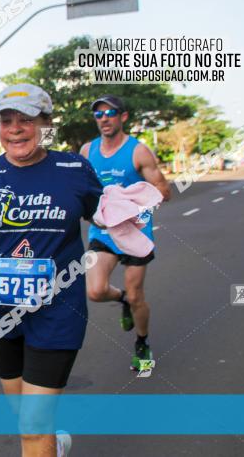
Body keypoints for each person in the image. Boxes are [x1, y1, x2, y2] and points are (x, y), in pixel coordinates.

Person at [0, 83, 103, 457]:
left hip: (58, 312)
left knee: (32, 426)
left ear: (45, 123)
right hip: (1, 314)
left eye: (25, 120)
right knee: (22, 415)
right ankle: (53, 446)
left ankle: (45, 443)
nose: (15, 128)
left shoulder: (74, 169)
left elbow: (104, 215)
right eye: (6, 120)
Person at [80, 95, 171, 370]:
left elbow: (164, 192)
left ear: (123, 117)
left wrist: (129, 200)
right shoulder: (87, 151)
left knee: (136, 295)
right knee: (95, 291)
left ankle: (142, 344)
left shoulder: (138, 151)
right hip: (103, 232)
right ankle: (121, 300)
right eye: (98, 114)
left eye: (110, 113)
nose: (104, 118)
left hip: (135, 234)